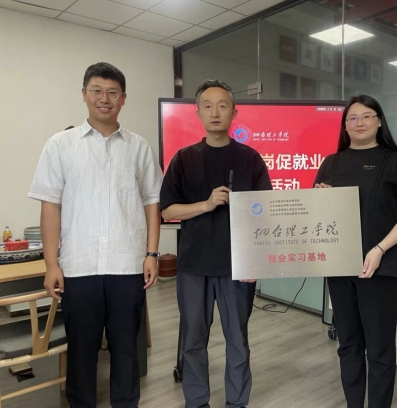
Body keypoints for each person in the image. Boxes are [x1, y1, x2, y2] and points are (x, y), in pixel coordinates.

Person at [28, 62, 163, 408]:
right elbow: (50, 207)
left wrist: (152, 254)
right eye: (97, 91)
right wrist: (51, 264)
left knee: (126, 349)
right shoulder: (60, 145)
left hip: (127, 266)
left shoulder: (139, 148)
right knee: (81, 350)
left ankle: (125, 403)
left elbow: (151, 202)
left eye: (112, 92)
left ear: (123, 99)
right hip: (79, 267)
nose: (105, 98)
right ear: (84, 95)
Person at [160, 79, 272, 408]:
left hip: (237, 265)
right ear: (197, 113)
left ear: (234, 112)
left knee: (237, 339)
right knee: (194, 339)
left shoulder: (250, 158)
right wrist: (206, 205)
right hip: (194, 265)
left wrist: (257, 261)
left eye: (222, 106)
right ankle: (197, 402)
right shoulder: (184, 159)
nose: (215, 112)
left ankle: (236, 403)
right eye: (207, 106)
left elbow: (266, 211)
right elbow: (168, 210)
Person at [313, 95, 397, 408]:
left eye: (367, 116)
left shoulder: (395, 160)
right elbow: (317, 217)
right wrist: (320, 200)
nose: (359, 122)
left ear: (379, 121)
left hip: (382, 265)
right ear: (345, 125)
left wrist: (379, 249)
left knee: (379, 348)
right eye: (352, 118)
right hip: (340, 266)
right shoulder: (331, 163)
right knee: (348, 343)